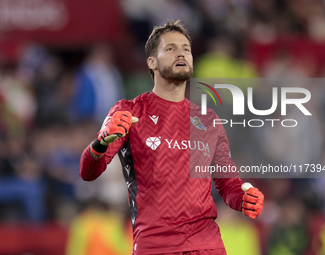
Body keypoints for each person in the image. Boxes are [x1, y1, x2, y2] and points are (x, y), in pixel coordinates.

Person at [79, 20, 264, 255]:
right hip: (156, 247)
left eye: (186, 48)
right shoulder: (129, 111)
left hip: (208, 246)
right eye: (171, 48)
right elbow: (88, 172)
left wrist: (244, 198)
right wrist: (101, 142)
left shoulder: (208, 120)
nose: (181, 53)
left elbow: (228, 184)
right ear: (152, 63)